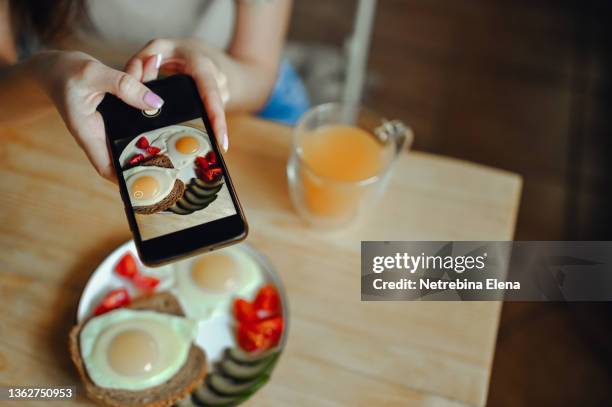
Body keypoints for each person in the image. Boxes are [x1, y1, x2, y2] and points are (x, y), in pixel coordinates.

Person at [0, 0, 308, 182]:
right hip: (68, 99)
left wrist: (218, 76)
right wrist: (46, 74)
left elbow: (258, 69)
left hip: (235, 74)